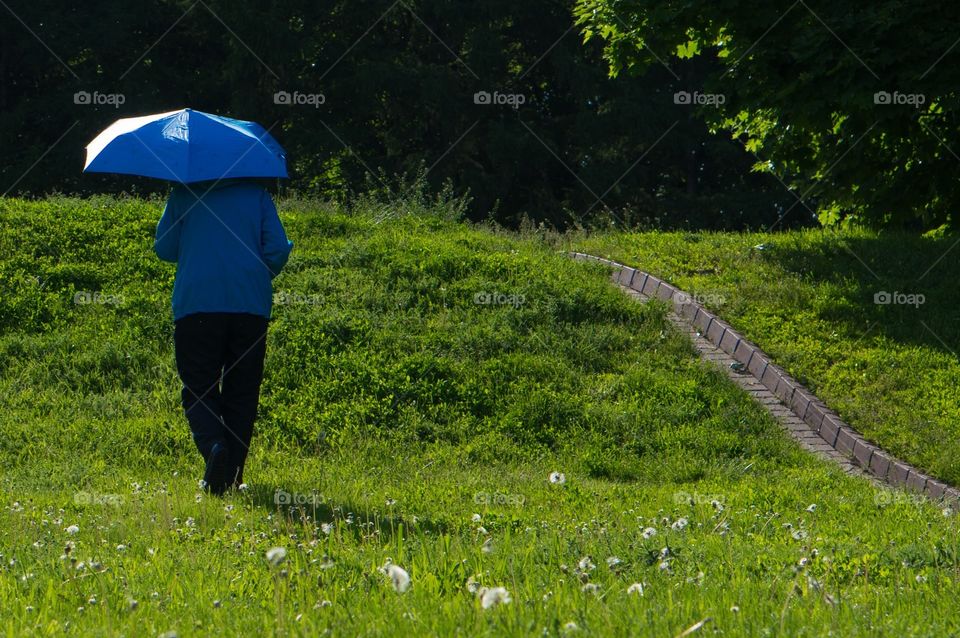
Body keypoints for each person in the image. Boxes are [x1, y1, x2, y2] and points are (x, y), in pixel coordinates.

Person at [154, 177, 293, 495]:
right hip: (250, 307)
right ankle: (232, 476)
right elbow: (277, 251)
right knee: (242, 390)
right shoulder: (257, 196)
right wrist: (252, 273)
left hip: (197, 305)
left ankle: (215, 447)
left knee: (199, 386)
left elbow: (164, 248)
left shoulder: (184, 194)